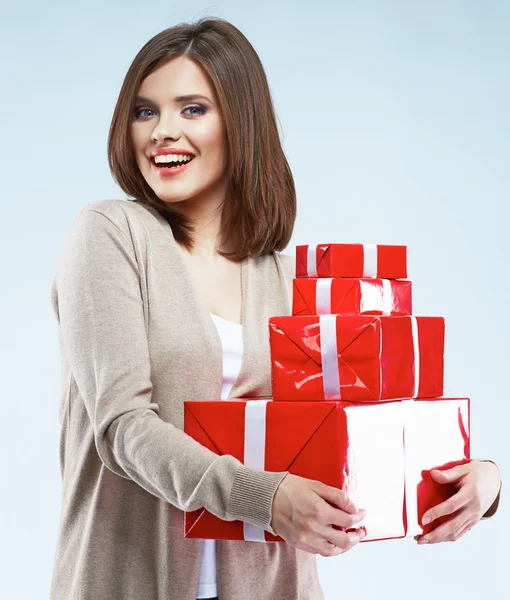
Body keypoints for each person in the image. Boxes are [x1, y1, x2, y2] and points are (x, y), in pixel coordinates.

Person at [49, 16, 502, 600]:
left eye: (192, 109)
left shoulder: (287, 278)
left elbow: (367, 421)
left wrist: (482, 481)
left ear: (241, 124)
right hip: (129, 581)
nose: (161, 131)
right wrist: (264, 497)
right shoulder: (110, 234)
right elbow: (123, 428)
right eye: (144, 111)